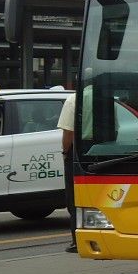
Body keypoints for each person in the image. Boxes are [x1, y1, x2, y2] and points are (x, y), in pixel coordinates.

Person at [57, 91, 78, 253]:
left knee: (74, 198)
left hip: (77, 153)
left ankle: (77, 241)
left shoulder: (73, 100)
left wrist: (65, 152)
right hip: (100, 150)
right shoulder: (105, 96)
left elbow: (69, 132)